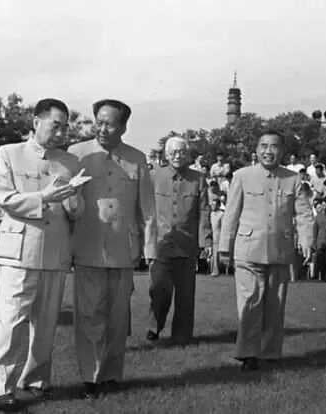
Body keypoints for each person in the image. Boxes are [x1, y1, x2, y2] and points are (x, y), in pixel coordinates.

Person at [0, 98, 85, 412]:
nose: (60, 133)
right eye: (55, 125)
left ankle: (35, 381)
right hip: (19, 251)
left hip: (55, 251)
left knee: (45, 323)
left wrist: (73, 197)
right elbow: (5, 198)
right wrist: (44, 196)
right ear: (35, 121)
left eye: (64, 128)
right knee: (11, 321)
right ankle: (2, 389)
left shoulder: (70, 162)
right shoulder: (9, 153)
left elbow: (77, 211)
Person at [67, 99, 157, 398]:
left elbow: (147, 208)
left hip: (123, 250)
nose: (103, 129)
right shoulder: (77, 154)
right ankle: (90, 377)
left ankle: (112, 375)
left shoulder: (137, 158)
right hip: (87, 246)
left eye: (110, 124)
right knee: (88, 316)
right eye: (99, 122)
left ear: (124, 127)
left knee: (118, 318)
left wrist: (149, 249)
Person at [218, 130, 313, 371]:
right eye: (263, 146)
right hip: (248, 250)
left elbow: (303, 214)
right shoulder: (242, 176)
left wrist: (307, 241)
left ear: (282, 151)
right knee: (250, 302)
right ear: (256, 150)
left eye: (273, 146)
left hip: (280, 250)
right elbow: (231, 213)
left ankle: (270, 354)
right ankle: (248, 354)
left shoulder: (294, 179)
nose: (268, 151)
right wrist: (224, 247)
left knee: (275, 305)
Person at [147, 136, 211, 344]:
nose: (177, 156)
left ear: (188, 155)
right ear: (166, 154)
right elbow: (146, 210)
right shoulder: (154, 176)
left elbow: (204, 211)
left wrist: (205, 241)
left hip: (187, 244)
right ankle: (154, 326)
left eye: (182, 152)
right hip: (161, 243)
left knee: (185, 295)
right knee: (159, 289)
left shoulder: (198, 179)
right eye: (173, 152)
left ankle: (182, 336)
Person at [312, 197, 326, 282]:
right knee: (321, 263)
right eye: (323, 205)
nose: (324, 207)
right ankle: (323, 279)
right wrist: (314, 244)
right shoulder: (318, 217)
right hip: (320, 243)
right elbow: (315, 230)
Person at [209, 198, 225, 277]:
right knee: (212, 255)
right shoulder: (211, 214)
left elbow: (223, 227)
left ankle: (216, 271)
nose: (212, 206)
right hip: (211, 236)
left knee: (216, 255)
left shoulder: (221, 214)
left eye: (214, 205)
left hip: (218, 236)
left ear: (218, 205)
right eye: (212, 204)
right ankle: (211, 269)